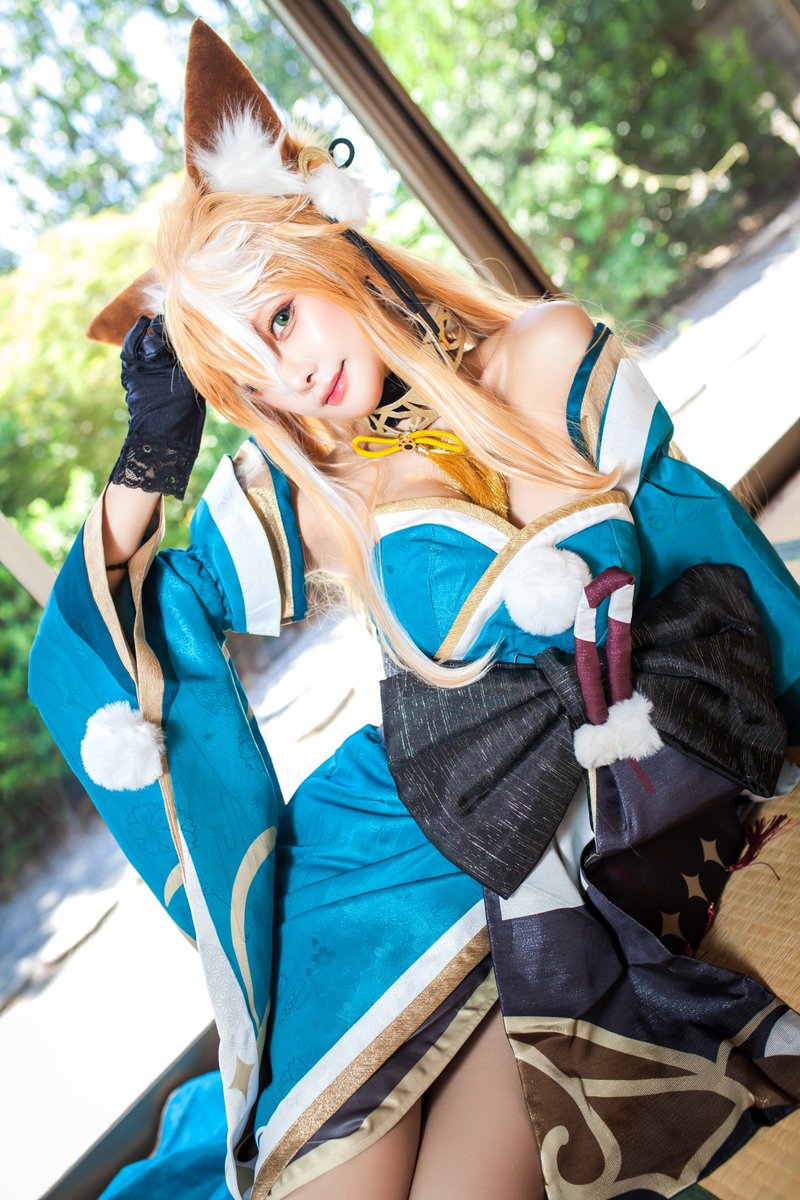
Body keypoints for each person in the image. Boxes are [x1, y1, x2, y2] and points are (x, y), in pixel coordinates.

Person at [29, 19, 800, 1200]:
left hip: (549, 867)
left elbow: (717, 573)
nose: (290, 378)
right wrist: (149, 460)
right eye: (248, 375)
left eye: (278, 318)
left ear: (326, 242)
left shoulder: (547, 356)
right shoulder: (313, 480)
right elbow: (124, 634)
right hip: (380, 873)